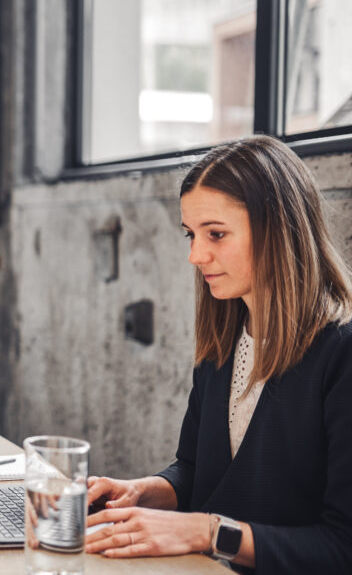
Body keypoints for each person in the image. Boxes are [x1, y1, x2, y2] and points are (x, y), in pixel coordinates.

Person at [84, 135, 352, 574]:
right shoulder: (222, 341)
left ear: (278, 229)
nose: (195, 255)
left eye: (216, 234)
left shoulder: (341, 352)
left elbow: (342, 548)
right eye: (191, 234)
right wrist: (145, 491)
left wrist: (206, 532)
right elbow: (196, 470)